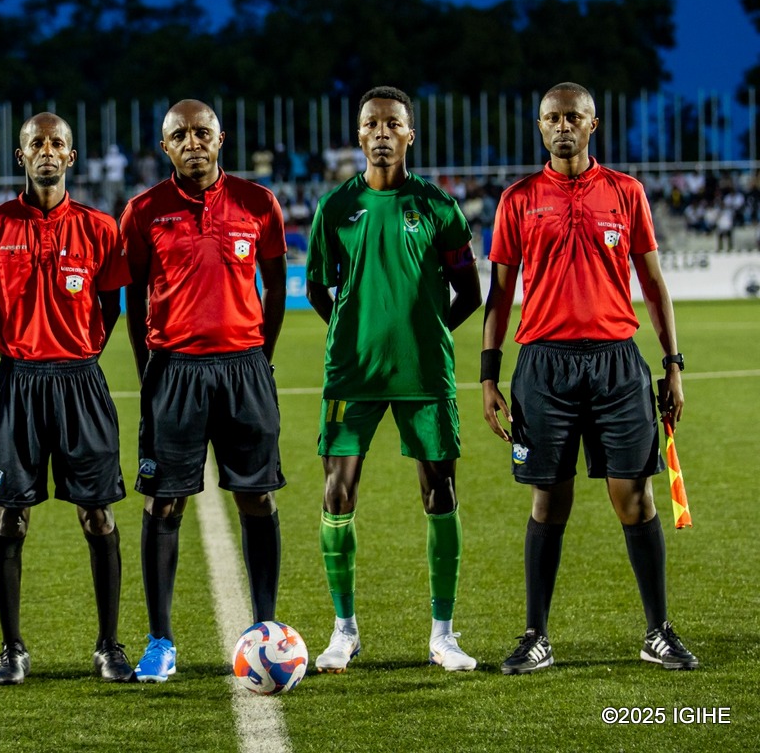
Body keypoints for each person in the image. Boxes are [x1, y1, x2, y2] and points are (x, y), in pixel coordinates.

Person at [482, 82, 698, 674]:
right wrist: (488, 375)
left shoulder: (626, 193)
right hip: (542, 367)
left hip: (617, 365)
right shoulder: (518, 199)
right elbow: (499, 294)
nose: (563, 126)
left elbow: (653, 284)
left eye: (573, 117)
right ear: (539, 125)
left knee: (635, 498)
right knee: (548, 501)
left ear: (592, 124)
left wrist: (673, 364)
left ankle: (658, 631)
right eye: (552, 117)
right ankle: (536, 636)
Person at [305, 86, 483, 674]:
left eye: (392, 124)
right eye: (371, 124)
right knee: (337, 493)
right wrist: (352, 334)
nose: (381, 133)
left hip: (424, 376)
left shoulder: (438, 206)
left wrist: (427, 334)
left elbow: (470, 292)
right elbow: (317, 289)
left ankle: (443, 636)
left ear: (410, 134)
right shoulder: (335, 208)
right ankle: (344, 632)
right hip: (352, 376)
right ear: (358, 135)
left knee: (440, 494)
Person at [121, 99, 287, 683]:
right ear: (165, 147)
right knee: (164, 502)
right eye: (180, 135)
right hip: (173, 370)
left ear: (221, 138)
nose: (192, 142)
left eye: (202, 132)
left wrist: (259, 358)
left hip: (244, 369)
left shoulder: (258, 202)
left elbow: (274, 288)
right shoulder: (143, 210)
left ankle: (264, 629)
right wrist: (149, 371)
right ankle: (160, 641)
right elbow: (134, 299)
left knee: (256, 498)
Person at [0, 113, 134, 685]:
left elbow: (111, 306)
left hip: (81, 382)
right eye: (35, 143)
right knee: (10, 516)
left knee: (97, 514)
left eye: (56, 143)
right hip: (18, 383)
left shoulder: (100, 228)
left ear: (70, 156)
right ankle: (12, 648)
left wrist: (78, 352)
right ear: (21, 156)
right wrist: (18, 353)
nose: (46, 151)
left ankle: (108, 645)